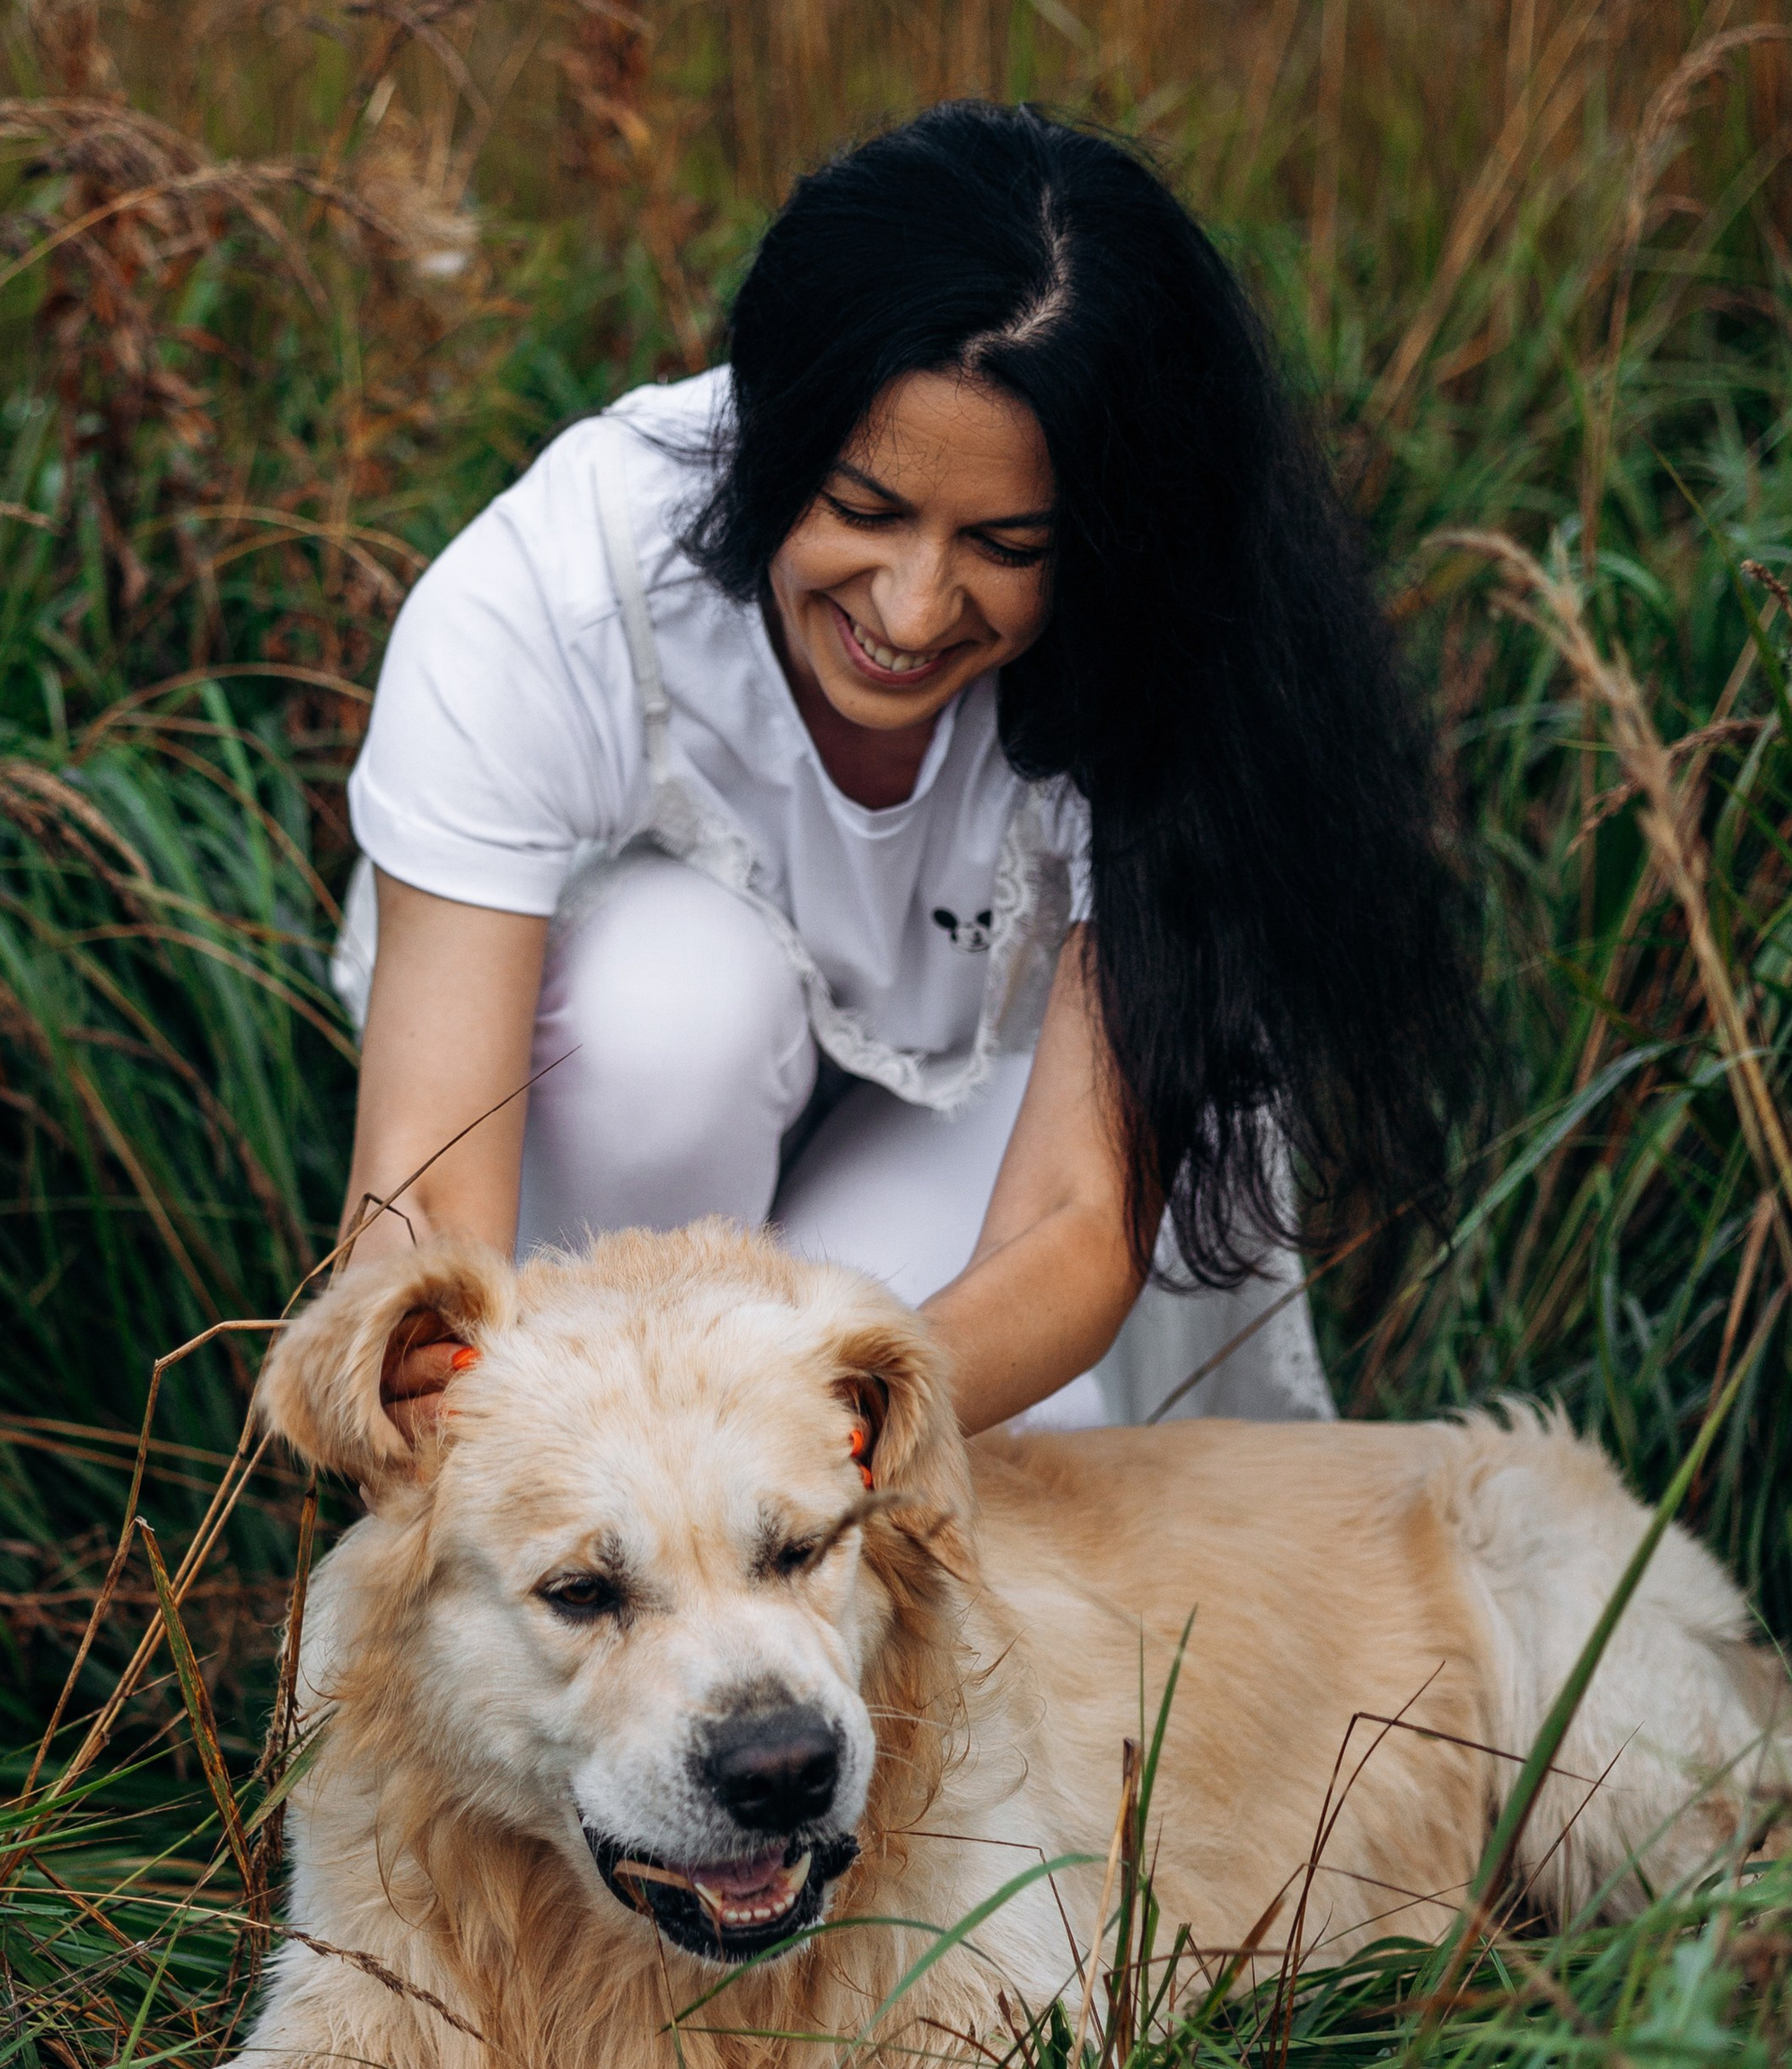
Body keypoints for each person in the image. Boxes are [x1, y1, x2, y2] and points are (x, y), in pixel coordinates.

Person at [329, 101, 1479, 1442]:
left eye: (1007, 544)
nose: (915, 610)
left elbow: (1075, 1217)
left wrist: (833, 1438)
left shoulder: (1177, 655)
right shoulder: (554, 594)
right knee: (664, 1011)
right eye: (863, 511)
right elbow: (425, 1196)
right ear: (768, 440)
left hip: (989, 1099)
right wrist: (443, 1388)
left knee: (1002, 1442)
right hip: (627, 1112)